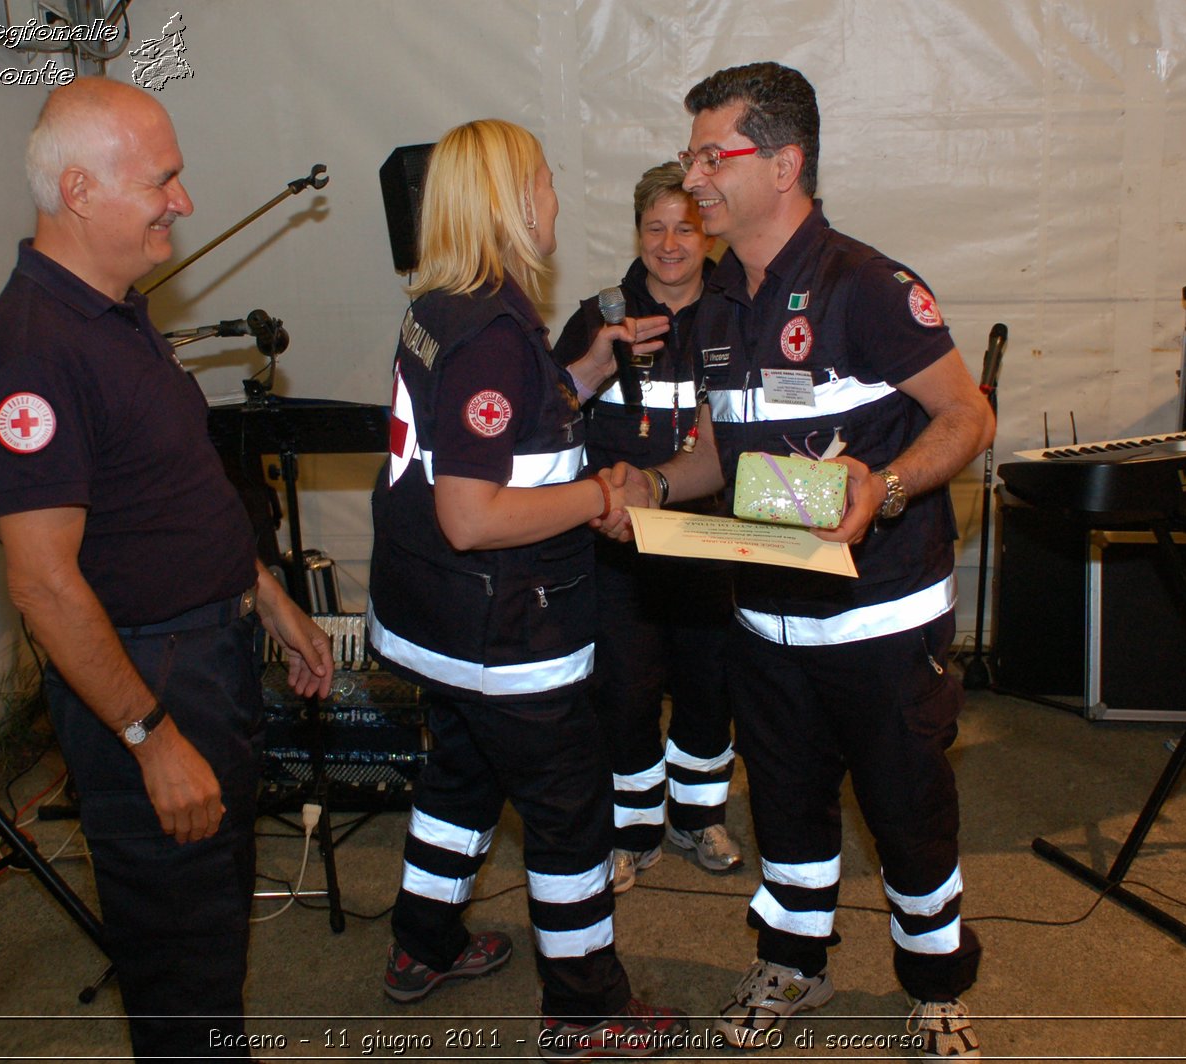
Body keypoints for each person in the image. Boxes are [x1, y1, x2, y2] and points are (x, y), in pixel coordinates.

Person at [601, 63, 995, 1057]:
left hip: (881, 623)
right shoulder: (720, 296)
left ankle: (936, 986)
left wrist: (889, 487)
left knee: (908, 815)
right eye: (690, 153)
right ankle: (793, 963)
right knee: (785, 807)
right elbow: (717, 450)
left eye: (709, 154)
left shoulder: (868, 287)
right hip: (763, 619)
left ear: (783, 163)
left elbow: (967, 415)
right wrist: (650, 487)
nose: (692, 177)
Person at [0, 77, 334, 1061]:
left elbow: (168, 492)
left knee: (210, 930)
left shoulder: (115, 312)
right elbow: (43, 583)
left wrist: (270, 594)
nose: (184, 200)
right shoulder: (30, 351)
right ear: (80, 191)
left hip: (204, 658)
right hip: (147, 681)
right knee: (177, 957)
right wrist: (151, 739)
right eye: (163, 180)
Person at [366, 119, 687, 1058]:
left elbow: (502, 432)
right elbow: (472, 512)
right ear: (512, 202)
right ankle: (587, 1007)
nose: (553, 199)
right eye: (544, 183)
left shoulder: (444, 305)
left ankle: (421, 947)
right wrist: (598, 493)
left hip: (434, 619)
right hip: (501, 630)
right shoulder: (493, 334)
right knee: (568, 809)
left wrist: (583, 372)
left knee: (461, 775)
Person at [552, 163, 743, 893]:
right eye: (654, 227)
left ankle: (700, 816)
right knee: (624, 689)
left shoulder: (737, 313)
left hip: (707, 538)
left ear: (706, 234)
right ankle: (631, 829)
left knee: (709, 682)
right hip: (617, 545)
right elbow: (551, 414)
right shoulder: (598, 315)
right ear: (638, 232)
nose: (669, 244)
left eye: (685, 228)